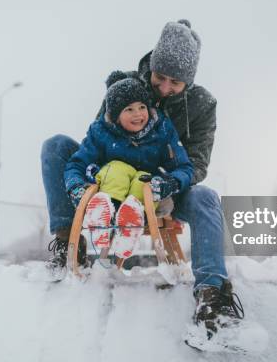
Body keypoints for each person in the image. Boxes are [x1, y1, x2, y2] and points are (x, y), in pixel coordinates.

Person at [41, 19, 243, 336]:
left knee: (206, 197)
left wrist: (164, 187)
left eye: (175, 82)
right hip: (113, 184)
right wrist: (91, 182)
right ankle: (70, 243)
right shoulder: (127, 87)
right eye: (159, 77)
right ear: (151, 66)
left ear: (189, 80)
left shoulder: (202, 105)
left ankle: (212, 297)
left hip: (168, 187)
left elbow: (198, 163)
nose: (164, 88)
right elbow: (98, 135)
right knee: (55, 147)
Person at [63, 71, 193, 260]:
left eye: (142, 107)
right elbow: (77, 163)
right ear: (115, 116)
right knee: (117, 168)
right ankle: (104, 217)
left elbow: (185, 167)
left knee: (142, 178)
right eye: (129, 109)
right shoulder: (101, 132)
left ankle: (130, 224)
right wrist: (76, 186)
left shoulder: (162, 129)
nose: (138, 114)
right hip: (112, 187)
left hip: (147, 197)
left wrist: (172, 182)